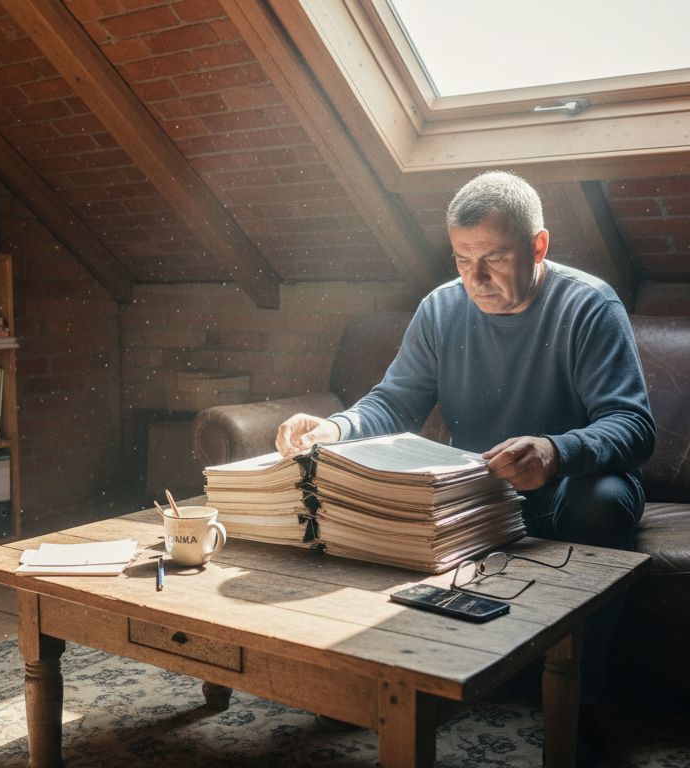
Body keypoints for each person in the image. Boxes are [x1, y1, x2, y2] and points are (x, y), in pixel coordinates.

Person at [275, 170, 655, 731]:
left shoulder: (590, 306)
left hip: (564, 490)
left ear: (538, 246)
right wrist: (334, 429)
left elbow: (633, 426)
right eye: (461, 259)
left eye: (495, 259)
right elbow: (395, 403)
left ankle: (583, 700)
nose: (474, 278)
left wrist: (553, 451)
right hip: (475, 494)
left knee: (605, 499)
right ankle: (379, 677)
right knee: (359, 490)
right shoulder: (440, 308)